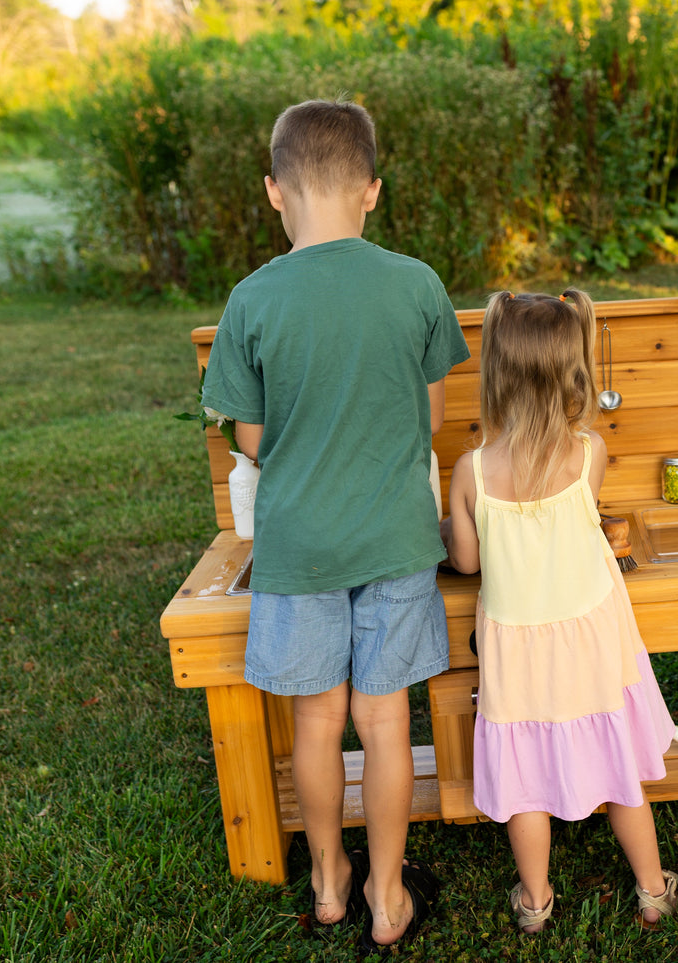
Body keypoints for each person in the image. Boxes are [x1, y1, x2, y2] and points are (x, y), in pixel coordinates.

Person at [201, 98, 468, 952]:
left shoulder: (250, 300)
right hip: (394, 538)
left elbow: (250, 438)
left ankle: (326, 881)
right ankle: (388, 896)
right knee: (384, 721)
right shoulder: (417, 283)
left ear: (275, 191)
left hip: (299, 547)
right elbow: (427, 418)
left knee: (317, 722)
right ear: (372, 191)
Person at [440, 289, 678, 933]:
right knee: (623, 768)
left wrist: (449, 525)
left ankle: (536, 902)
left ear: (496, 371)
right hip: (591, 637)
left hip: (516, 649)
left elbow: (467, 563)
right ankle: (654, 890)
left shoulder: (472, 472)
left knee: (525, 782)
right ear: (574, 369)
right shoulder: (588, 454)